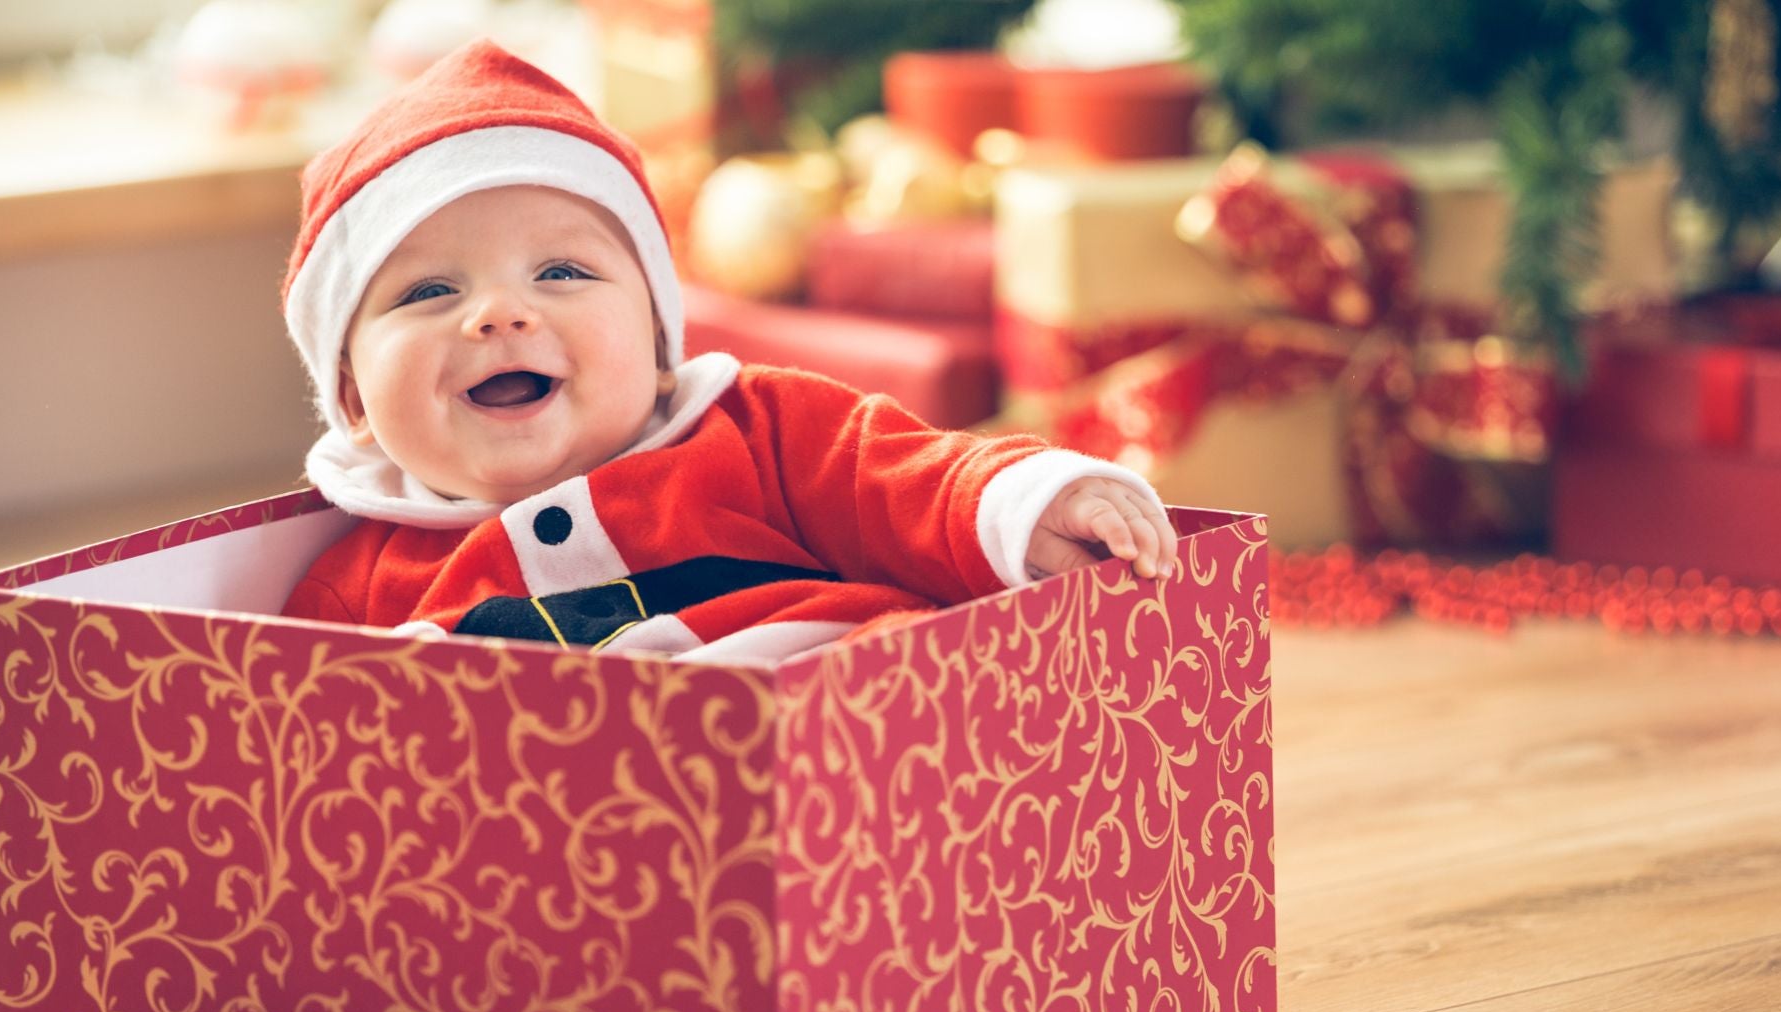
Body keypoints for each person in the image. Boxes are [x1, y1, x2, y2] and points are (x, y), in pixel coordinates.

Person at [280, 40, 1177, 664]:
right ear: (353, 398)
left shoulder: (757, 430)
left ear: (661, 345)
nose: (499, 315)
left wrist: (1030, 503)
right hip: (577, 830)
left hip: (841, 711)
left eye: (561, 272)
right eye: (431, 292)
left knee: (911, 655)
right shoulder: (354, 590)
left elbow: (909, 476)